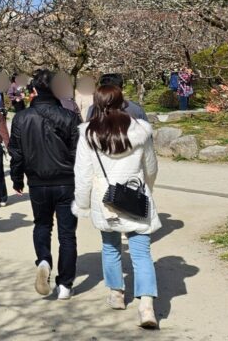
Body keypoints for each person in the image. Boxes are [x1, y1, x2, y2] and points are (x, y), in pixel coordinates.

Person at [73, 84, 160, 329]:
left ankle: (117, 294)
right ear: (122, 101)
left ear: (97, 103)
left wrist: (82, 204)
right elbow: (151, 167)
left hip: (105, 199)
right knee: (142, 252)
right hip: (135, 192)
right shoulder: (140, 130)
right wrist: (147, 189)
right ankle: (146, 306)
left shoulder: (88, 133)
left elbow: (83, 174)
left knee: (110, 247)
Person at [9, 69, 83, 300]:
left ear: (33, 91)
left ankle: (43, 260)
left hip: (38, 182)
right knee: (67, 234)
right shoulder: (70, 117)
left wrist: (17, 178)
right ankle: (65, 285)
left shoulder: (21, 118)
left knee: (42, 225)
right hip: (66, 181)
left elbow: (16, 153)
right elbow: (78, 153)